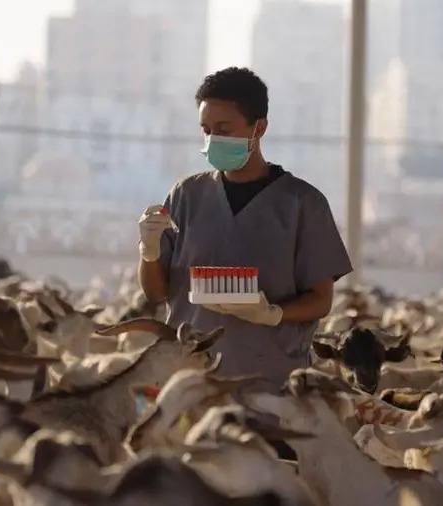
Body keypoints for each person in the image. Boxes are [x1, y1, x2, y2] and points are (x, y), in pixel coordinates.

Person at [137, 67, 353, 455]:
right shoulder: (186, 196)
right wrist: (149, 250)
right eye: (206, 130)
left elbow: (321, 299)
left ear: (259, 128)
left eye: (224, 129)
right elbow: (156, 293)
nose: (212, 140)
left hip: (269, 388)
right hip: (191, 385)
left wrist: (272, 314)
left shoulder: (302, 204)